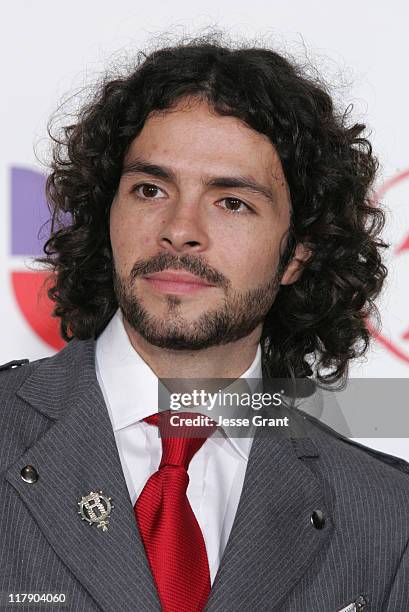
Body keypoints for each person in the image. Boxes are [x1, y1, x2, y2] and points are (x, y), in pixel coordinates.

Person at [1, 34, 408, 612]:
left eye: (232, 202)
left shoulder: (388, 518)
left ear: (297, 253)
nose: (179, 228)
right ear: (106, 213)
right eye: (150, 189)